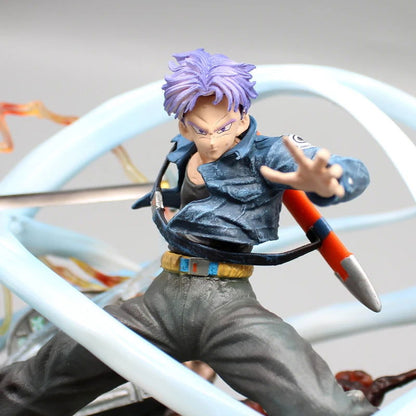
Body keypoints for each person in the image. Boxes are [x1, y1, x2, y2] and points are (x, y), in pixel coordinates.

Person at [0, 49, 378, 416]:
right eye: (200, 129)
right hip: (161, 301)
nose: (212, 140)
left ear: (242, 117)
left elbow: (344, 169)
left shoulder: (270, 153)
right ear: (183, 125)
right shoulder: (182, 148)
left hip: (226, 307)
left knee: (321, 407)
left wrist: (328, 180)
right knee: (41, 378)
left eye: (223, 127)